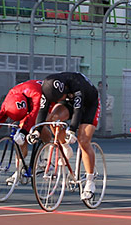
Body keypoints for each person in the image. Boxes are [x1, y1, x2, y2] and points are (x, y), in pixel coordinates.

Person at [28, 72, 101, 200]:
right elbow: (43, 110)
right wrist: (37, 131)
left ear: (64, 89)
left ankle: (90, 181)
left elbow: (78, 111)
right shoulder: (47, 87)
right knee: (53, 118)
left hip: (89, 105)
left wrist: (72, 130)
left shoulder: (76, 83)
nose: (56, 101)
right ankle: (65, 147)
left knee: (83, 140)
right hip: (69, 103)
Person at [0, 80, 43, 183]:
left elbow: (33, 116)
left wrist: (24, 132)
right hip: (24, 99)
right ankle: (19, 170)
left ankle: (46, 157)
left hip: (42, 97)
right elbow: (1, 116)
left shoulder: (36, 94)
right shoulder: (9, 99)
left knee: (42, 122)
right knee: (21, 133)